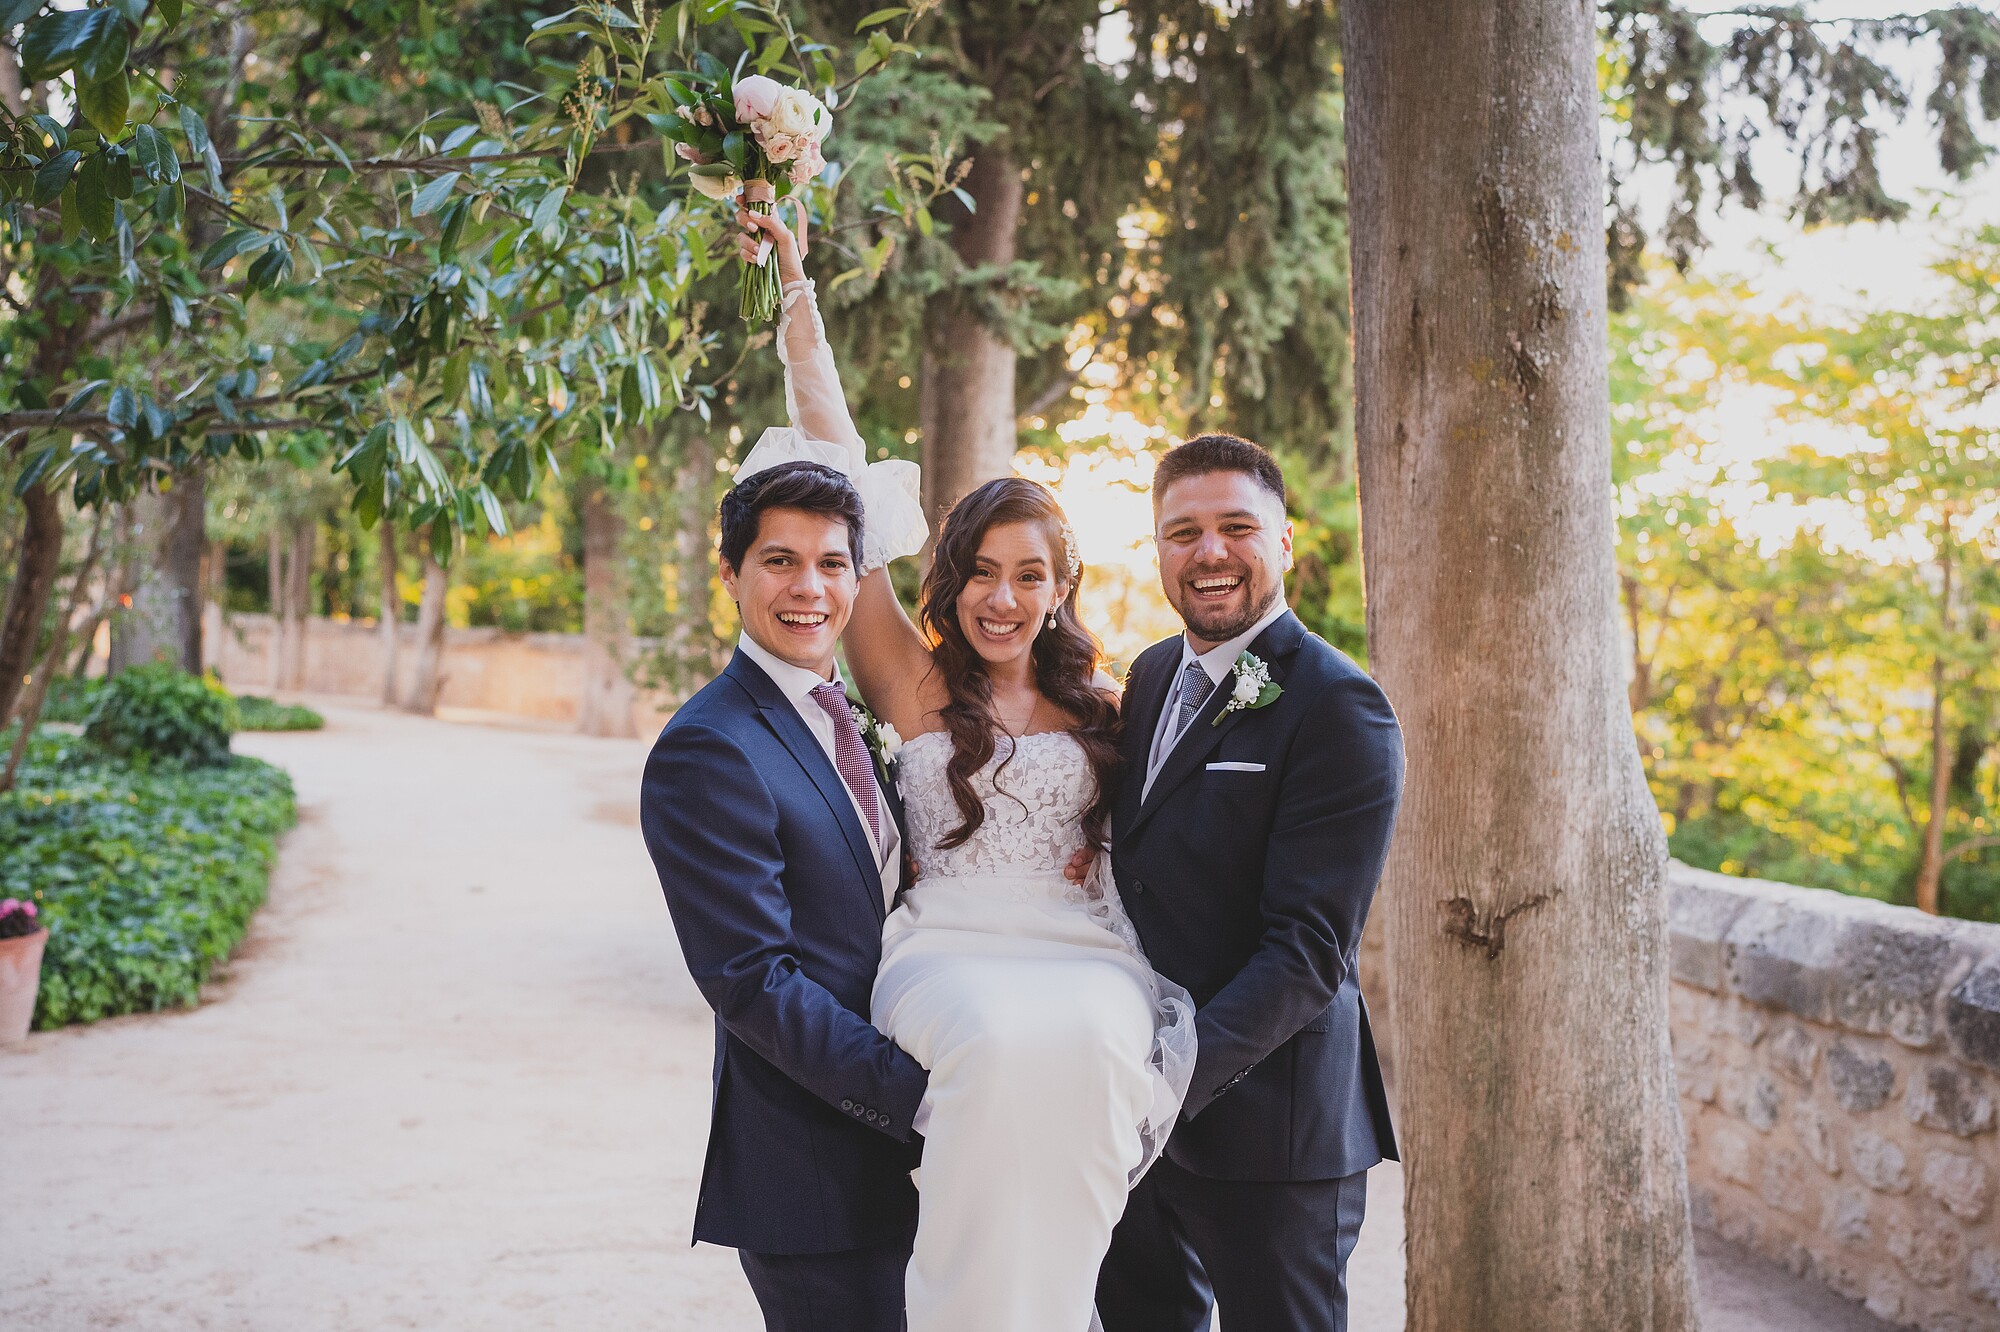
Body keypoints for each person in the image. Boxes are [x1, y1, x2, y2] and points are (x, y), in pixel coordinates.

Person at [733, 206, 1195, 1332]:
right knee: (986, 1047)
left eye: (1028, 575)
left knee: (1095, 1049)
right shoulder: (909, 679)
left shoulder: (1112, 705)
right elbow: (835, 456)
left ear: (1059, 588)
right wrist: (795, 290)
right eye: (981, 570)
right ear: (951, 576)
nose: (1001, 596)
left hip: (1081, 952)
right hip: (948, 948)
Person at [1089, 433, 1405, 1332]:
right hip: (1133, 1127)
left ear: (1285, 542)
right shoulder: (1152, 674)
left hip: (1274, 1130)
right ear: (1158, 550)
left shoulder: (1340, 706)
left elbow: (1308, 950)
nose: (1210, 552)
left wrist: (1165, 1083)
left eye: (1237, 527)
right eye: (1183, 533)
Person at [639, 458, 925, 1332]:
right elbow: (753, 981)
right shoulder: (708, 748)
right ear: (730, 573)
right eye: (779, 561)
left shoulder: (856, 716)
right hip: (816, 1170)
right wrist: (929, 1099)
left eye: (832, 563)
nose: (809, 588)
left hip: (917, 1167)